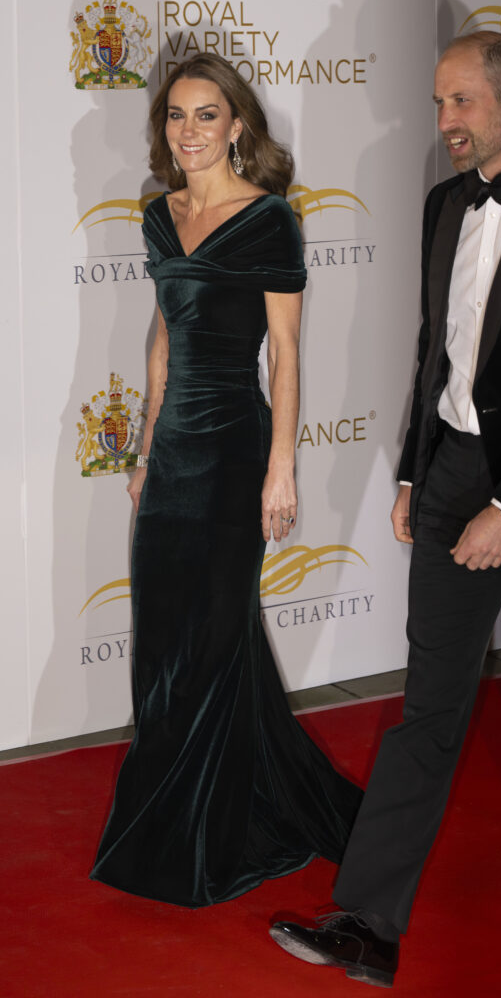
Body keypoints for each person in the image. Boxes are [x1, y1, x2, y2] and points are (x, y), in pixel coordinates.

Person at [269, 31, 501, 987]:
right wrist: (411, 473)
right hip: (451, 478)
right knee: (429, 706)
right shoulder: (445, 203)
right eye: (438, 104)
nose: (445, 123)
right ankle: (368, 923)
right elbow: (436, 348)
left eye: (460, 101)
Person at [90, 54, 362, 908]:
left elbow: (286, 355)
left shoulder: (269, 220)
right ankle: (188, 808)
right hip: (172, 457)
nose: (189, 131)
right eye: (176, 115)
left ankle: (205, 830)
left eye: (206, 115)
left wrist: (282, 470)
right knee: (164, 640)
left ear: (237, 125)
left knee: (213, 639)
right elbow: (163, 337)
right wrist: (144, 454)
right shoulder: (159, 215)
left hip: (236, 453)